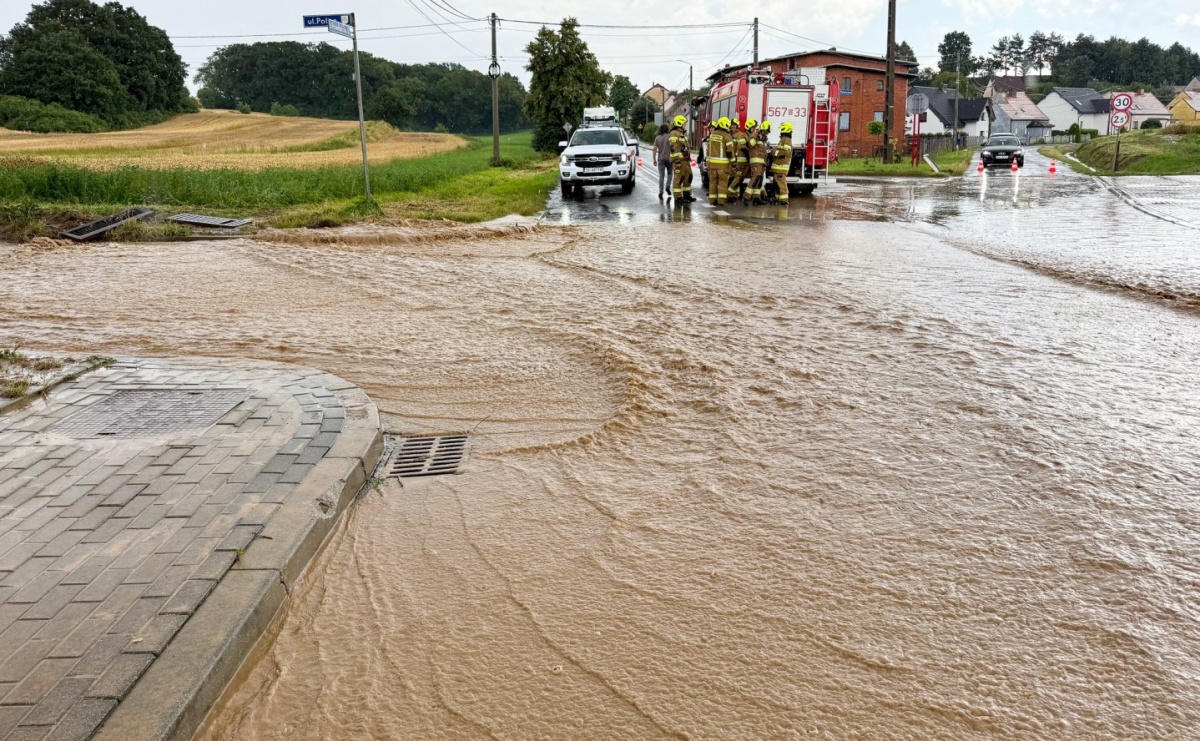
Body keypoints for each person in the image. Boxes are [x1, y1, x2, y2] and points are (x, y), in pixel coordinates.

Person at [705, 117, 733, 206]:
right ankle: (721, 201)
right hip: (723, 166)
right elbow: (729, 152)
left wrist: (708, 162)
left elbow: (708, 150)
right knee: (722, 183)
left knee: (713, 182)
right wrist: (733, 162)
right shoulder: (727, 136)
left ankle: (712, 200)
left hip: (712, 164)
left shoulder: (712, 135)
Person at [669, 115, 694, 203]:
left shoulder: (682, 133)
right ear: (679, 123)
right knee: (678, 179)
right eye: (684, 123)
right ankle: (678, 197)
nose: (685, 125)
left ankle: (687, 195)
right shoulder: (674, 133)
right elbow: (674, 149)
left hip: (685, 160)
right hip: (679, 161)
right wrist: (677, 161)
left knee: (688, 177)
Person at [770, 121, 794, 204]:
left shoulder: (786, 140)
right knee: (777, 183)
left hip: (781, 166)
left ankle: (783, 200)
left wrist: (775, 152)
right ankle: (778, 198)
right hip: (778, 166)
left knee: (781, 183)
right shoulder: (783, 140)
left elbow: (786, 153)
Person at [745, 120, 769, 205]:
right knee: (755, 179)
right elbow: (749, 144)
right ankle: (746, 197)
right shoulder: (755, 135)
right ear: (762, 129)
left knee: (759, 180)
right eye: (765, 131)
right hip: (756, 162)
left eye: (767, 132)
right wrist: (757, 138)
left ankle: (756, 198)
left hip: (761, 163)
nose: (766, 133)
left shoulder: (762, 137)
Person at [728, 118, 749, 200]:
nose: (732, 127)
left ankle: (730, 194)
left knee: (738, 177)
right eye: (731, 125)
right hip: (732, 160)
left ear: (737, 126)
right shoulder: (730, 135)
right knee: (733, 177)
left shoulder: (740, 135)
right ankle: (734, 194)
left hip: (739, 161)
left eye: (734, 125)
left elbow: (741, 148)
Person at [651, 124, 671, 199]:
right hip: (669, 159)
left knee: (661, 176)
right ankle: (668, 186)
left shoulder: (657, 138)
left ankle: (661, 191)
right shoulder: (670, 137)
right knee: (670, 173)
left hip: (661, 159)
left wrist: (654, 159)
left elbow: (654, 149)